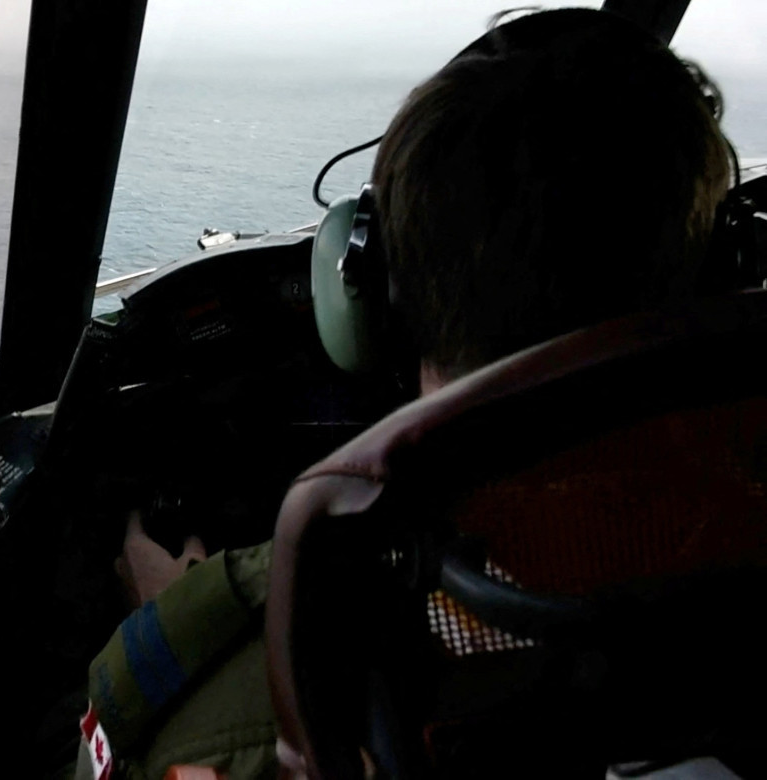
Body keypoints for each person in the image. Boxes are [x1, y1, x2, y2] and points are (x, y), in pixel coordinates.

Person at [70, 7, 734, 779]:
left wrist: (173, 628)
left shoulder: (260, 725)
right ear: (715, 280)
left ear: (375, 298)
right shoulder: (734, 543)